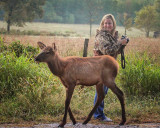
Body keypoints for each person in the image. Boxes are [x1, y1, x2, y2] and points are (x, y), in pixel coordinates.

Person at [93, 14, 128, 122]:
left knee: (103, 91)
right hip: (101, 68)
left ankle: (98, 113)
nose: (108, 25)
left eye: (110, 23)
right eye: (106, 23)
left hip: (107, 67)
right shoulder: (101, 36)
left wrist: (123, 44)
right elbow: (107, 51)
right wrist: (119, 43)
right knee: (101, 91)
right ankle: (98, 114)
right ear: (102, 24)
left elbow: (115, 50)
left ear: (113, 25)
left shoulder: (110, 36)